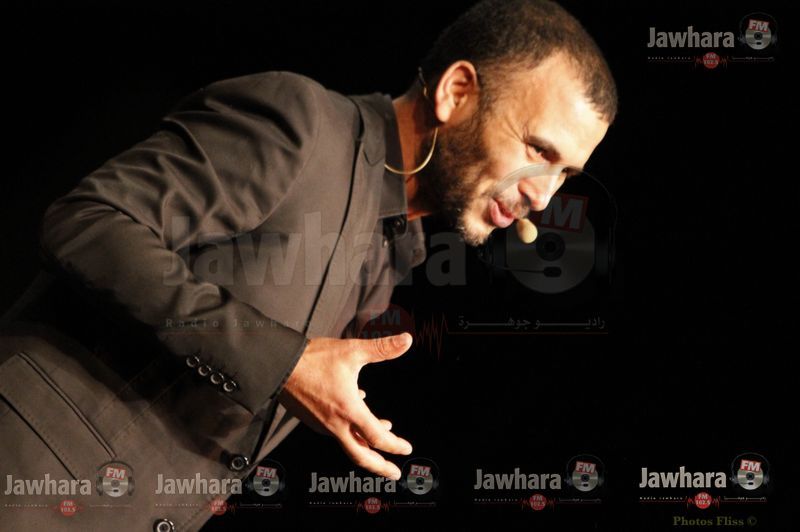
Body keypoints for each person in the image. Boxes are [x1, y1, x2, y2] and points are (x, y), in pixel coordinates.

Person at [0, 0, 616, 529]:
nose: (544, 196)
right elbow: (89, 220)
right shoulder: (303, 124)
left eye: (565, 173)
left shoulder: (394, 254)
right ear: (456, 92)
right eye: (538, 150)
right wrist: (284, 362)